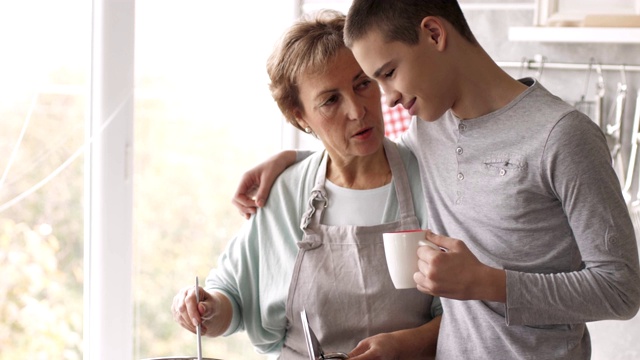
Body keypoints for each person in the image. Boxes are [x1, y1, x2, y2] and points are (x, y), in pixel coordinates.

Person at [232, 1, 640, 359]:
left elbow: (621, 291)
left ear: (433, 33)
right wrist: (292, 162)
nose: (387, 97)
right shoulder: (431, 128)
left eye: (388, 72)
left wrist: (487, 282)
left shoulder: (564, 136)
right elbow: (362, 152)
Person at [172, 10, 442, 360]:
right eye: (330, 100)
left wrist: (407, 344)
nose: (357, 111)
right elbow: (233, 297)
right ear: (301, 117)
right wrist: (204, 308)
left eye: (362, 84)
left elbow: (469, 312)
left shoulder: (431, 178)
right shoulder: (285, 192)